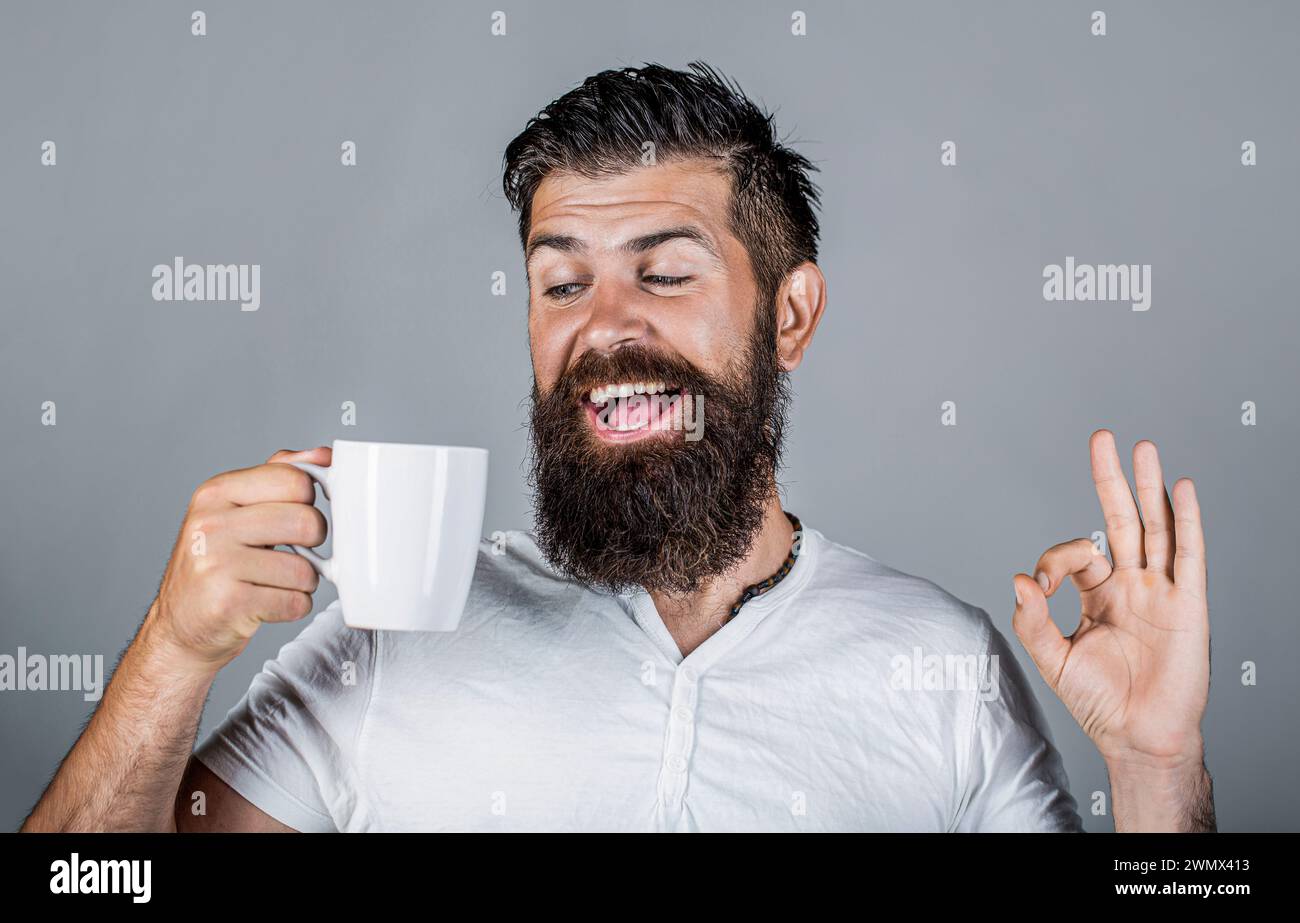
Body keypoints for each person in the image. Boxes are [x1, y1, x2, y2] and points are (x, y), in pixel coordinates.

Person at [22, 63, 1214, 832]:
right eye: (561, 282)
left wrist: (1158, 766)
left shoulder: (940, 670)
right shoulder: (384, 648)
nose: (602, 330)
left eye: (665, 271)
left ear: (788, 315)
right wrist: (172, 656)